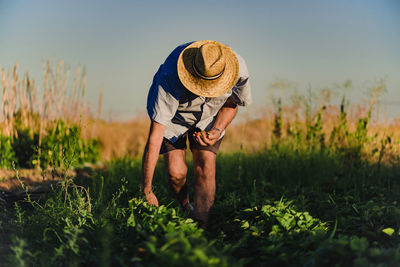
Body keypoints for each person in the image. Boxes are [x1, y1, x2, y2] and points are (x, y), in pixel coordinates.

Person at [142, 40, 251, 227]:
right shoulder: (169, 78)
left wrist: (217, 130)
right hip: (174, 120)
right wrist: (147, 189)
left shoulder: (239, 69)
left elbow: (232, 103)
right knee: (176, 174)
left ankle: (202, 228)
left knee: (205, 167)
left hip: (210, 117)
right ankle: (185, 207)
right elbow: (155, 134)